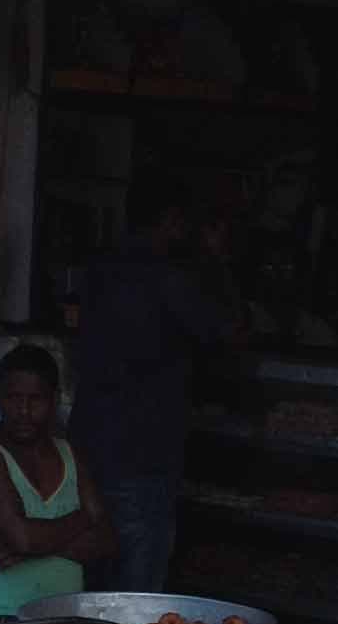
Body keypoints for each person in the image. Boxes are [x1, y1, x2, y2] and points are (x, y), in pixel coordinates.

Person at [68, 193, 240, 591]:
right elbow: (226, 333)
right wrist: (216, 262)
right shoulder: (169, 277)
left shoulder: (100, 269)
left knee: (95, 569)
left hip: (91, 442)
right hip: (142, 448)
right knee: (136, 580)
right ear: (171, 221)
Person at [0, 343, 115, 619]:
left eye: (35, 399)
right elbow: (24, 538)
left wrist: (30, 550)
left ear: (54, 399)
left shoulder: (69, 454)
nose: (24, 411)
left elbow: (107, 541)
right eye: (13, 398)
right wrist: (84, 518)